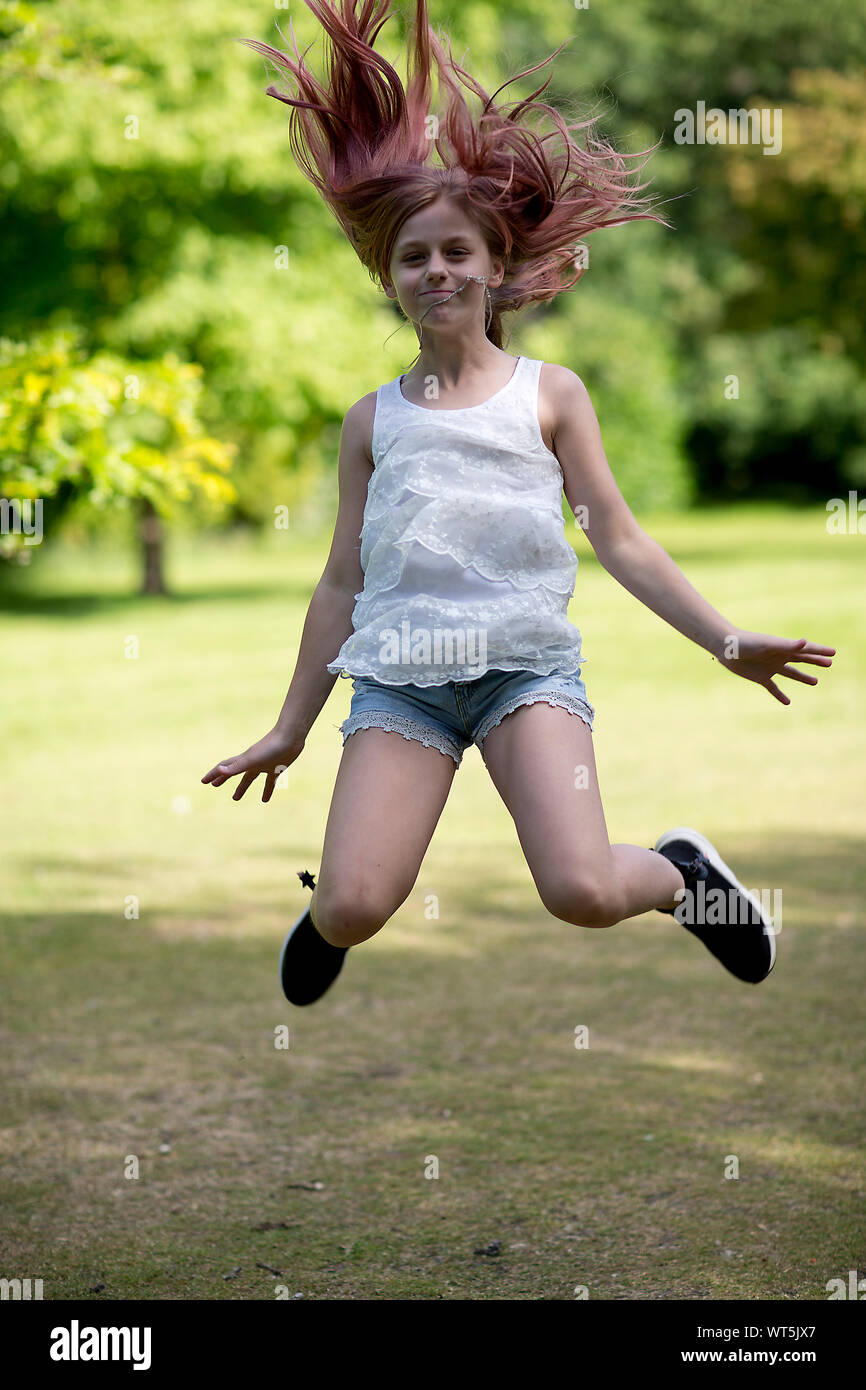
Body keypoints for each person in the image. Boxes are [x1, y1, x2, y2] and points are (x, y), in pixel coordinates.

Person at [202, 0, 834, 1005]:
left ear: (496, 268)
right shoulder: (371, 420)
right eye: (413, 256)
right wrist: (288, 726)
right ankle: (328, 901)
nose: (436, 269)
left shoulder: (550, 394)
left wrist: (723, 638)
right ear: (390, 277)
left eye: (456, 251)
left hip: (520, 676)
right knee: (352, 907)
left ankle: (679, 876)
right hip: (401, 682)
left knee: (581, 891)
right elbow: (339, 582)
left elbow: (618, 540)